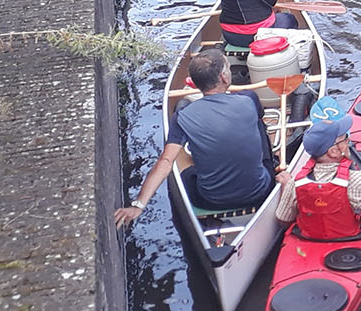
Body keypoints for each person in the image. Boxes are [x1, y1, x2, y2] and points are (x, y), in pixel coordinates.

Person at [115, 49, 275, 228]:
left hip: (209, 200)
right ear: (223, 77)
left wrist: (138, 205)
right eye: (228, 68)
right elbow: (258, 117)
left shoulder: (182, 115)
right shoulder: (248, 99)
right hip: (260, 191)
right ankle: (273, 163)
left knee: (185, 173)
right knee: (259, 124)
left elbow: (166, 161)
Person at [270, 100, 361, 240]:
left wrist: (286, 187)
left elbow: (283, 221)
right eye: (345, 139)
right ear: (333, 151)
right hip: (351, 240)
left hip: (311, 241)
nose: (348, 142)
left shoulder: (295, 184)